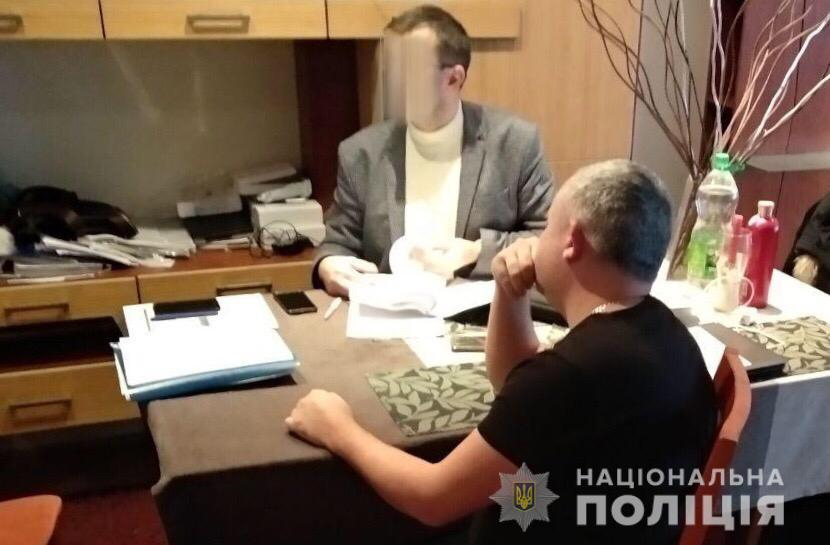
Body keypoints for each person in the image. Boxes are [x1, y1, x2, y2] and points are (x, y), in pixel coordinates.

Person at [286, 159, 718, 544]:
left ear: (572, 241)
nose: (537, 242)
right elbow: (515, 384)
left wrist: (338, 430)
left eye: (547, 229)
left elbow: (433, 498)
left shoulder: (574, 371)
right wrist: (510, 291)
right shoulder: (663, 332)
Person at [313, 5, 554, 297]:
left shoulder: (515, 143)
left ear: (454, 78)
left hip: (481, 315)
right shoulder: (361, 152)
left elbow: (547, 239)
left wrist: (477, 252)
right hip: (389, 314)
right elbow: (338, 242)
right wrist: (327, 264)